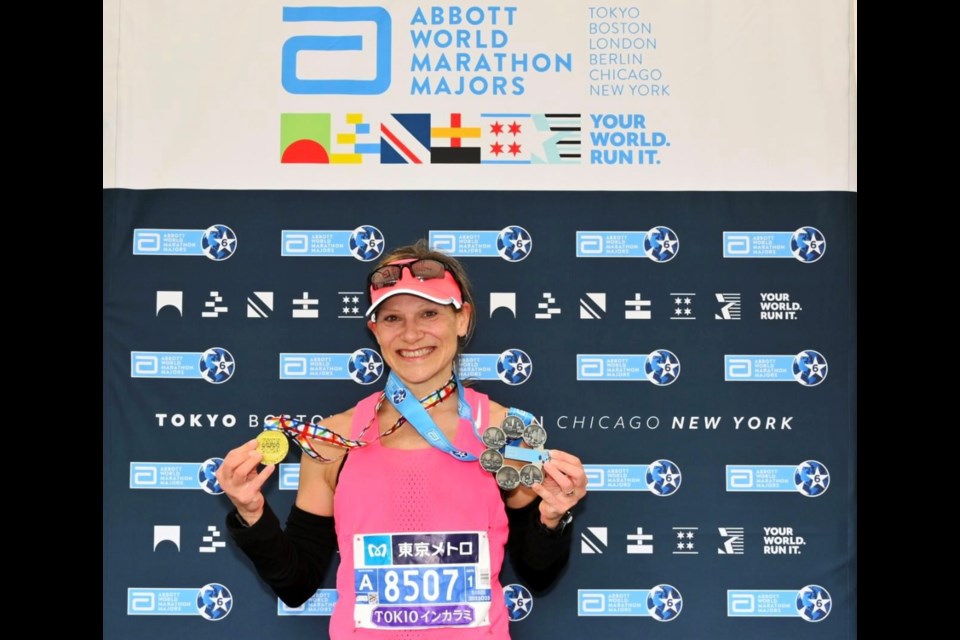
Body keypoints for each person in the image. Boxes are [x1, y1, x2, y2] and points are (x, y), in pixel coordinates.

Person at [218, 241, 586, 638]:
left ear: (462, 320)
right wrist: (252, 512)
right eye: (393, 318)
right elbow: (297, 583)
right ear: (374, 330)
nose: (412, 334)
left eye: (429, 312)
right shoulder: (336, 438)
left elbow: (537, 573)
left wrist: (553, 519)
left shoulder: (502, 433)